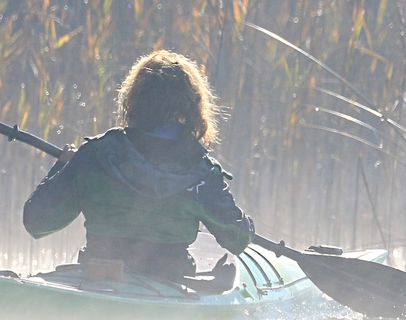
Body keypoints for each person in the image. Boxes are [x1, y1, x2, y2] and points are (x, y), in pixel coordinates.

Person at [23, 50, 253, 285]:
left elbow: (38, 222)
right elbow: (237, 239)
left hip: (100, 275)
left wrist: (63, 165)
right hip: (169, 280)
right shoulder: (202, 172)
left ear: (134, 100)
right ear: (191, 107)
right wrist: (244, 224)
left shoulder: (95, 154)